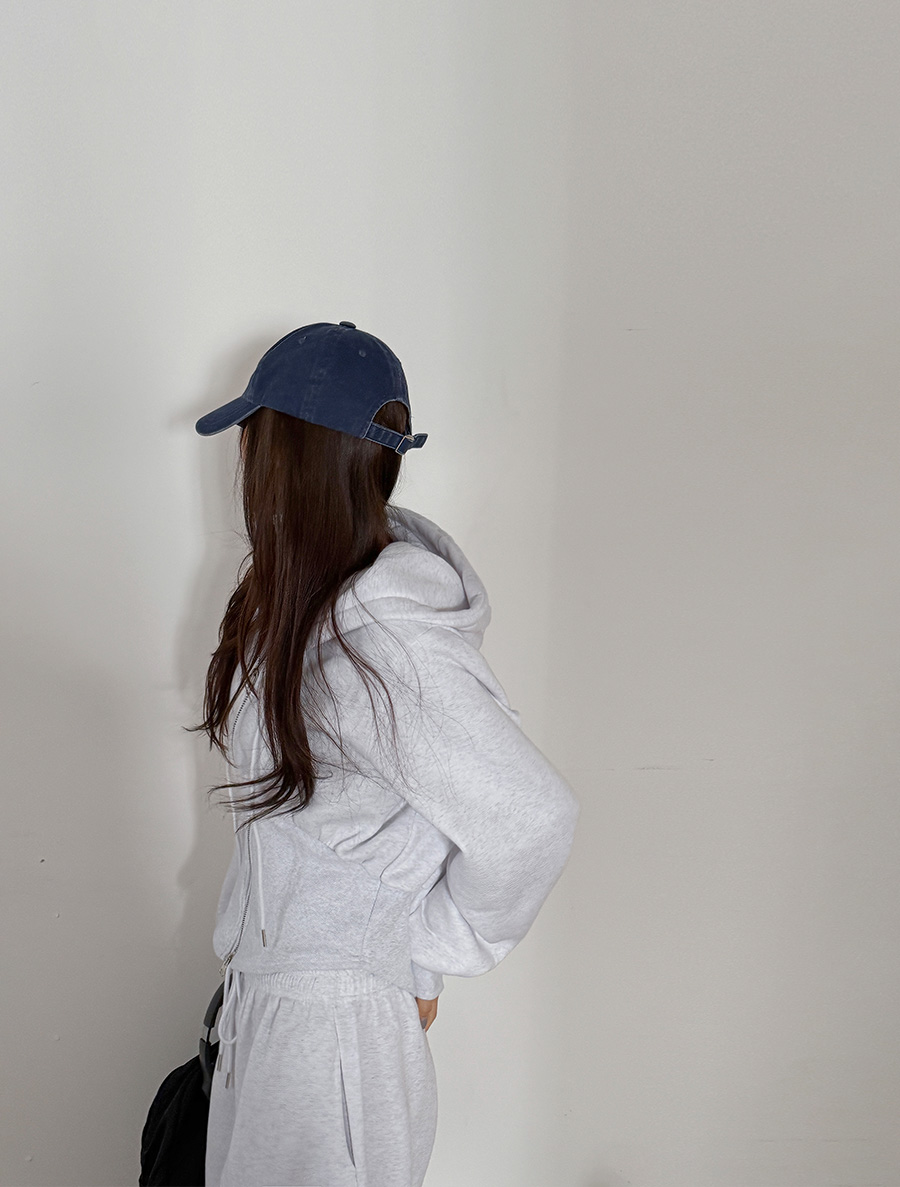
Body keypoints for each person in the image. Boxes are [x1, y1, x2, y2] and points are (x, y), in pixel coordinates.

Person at [190, 320, 580, 1187]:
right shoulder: (301, 602)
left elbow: (532, 818)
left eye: (254, 435)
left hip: (332, 1033)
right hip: (275, 1014)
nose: (242, 459)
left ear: (287, 454)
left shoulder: (386, 645)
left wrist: (423, 951)